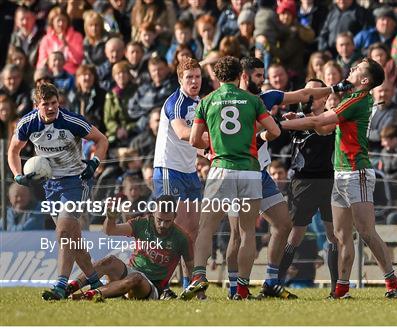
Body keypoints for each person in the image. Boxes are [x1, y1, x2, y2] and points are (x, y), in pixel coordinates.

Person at [281, 58, 397, 300]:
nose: (351, 69)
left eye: (357, 68)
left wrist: (282, 125)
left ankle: (392, 283)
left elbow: (319, 122)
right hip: (341, 172)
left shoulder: (358, 99)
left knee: (367, 231)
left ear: (365, 80)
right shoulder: (352, 100)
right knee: (341, 235)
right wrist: (296, 120)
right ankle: (341, 289)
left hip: (355, 171)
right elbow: (323, 128)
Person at [225, 57, 346, 299]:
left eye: (263, 75)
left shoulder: (268, 98)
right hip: (240, 171)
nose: (262, 80)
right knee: (239, 233)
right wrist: (272, 130)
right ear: (245, 76)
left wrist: (334, 88)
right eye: (258, 76)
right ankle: (234, 286)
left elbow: (300, 95)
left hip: (263, 173)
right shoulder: (231, 102)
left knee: (283, 225)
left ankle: (271, 281)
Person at [180, 56, 281, 300]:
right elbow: (275, 130)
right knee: (247, 232)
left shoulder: (206, 101)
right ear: (240, 76)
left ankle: (199, 276)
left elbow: (194, 140)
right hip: (249, 171)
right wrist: (252, 132)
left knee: (206, 228)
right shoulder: (253, 100)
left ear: (216, 77)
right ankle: (243, 288)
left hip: (221, 169)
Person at [7, 82, 109, 300]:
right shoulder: (27, 124)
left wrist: (94, 163)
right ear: (36, 106)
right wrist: (17, 174)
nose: (52, 108)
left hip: (76, 181)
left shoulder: (71, 121)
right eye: (46, 104)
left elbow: (102, 139)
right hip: (50, 184)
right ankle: (94, 281)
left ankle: (60, 285)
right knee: (73, 239)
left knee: (63, 231)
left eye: (54, 103)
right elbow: (13, 150)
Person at [275, 78, 339, 297]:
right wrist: (295, 119)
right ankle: (275, 284)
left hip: (328, 181)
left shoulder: (330, 117)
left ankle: (336, 289)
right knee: (293, 236)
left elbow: (319, 126)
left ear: (324, 96)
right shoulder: (296, 118)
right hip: (301, 182)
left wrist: (298, 120)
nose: (309, 97)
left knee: (333, 235)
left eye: (314, 92)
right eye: (306, 92)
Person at [69, 194, 193, 301]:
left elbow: (190, 265)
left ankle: (88, 296)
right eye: (159, 220)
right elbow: (110, 230)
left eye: (167, 221)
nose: (162, 225)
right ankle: (69, 289)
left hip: (151, 287)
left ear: (175, 216)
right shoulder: (142, 223)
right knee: (109, 260)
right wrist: (111, 216)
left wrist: (191, 289)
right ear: (154, 212)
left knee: (136, 277)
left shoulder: (181, 238)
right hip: (130, 272)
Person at [152, 57, 203, 291]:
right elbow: (183, 133)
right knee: (169, 229)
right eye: (189, 77)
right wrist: (217, 143)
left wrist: (210, 153)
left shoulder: (200, 102)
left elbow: (198, 143)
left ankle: (187, 284)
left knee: (191, 230)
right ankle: (157, 283)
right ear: (180, 79)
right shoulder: (175, 102)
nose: (194, 81)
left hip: (190, 171)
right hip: (168, 169)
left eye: (197, 76)